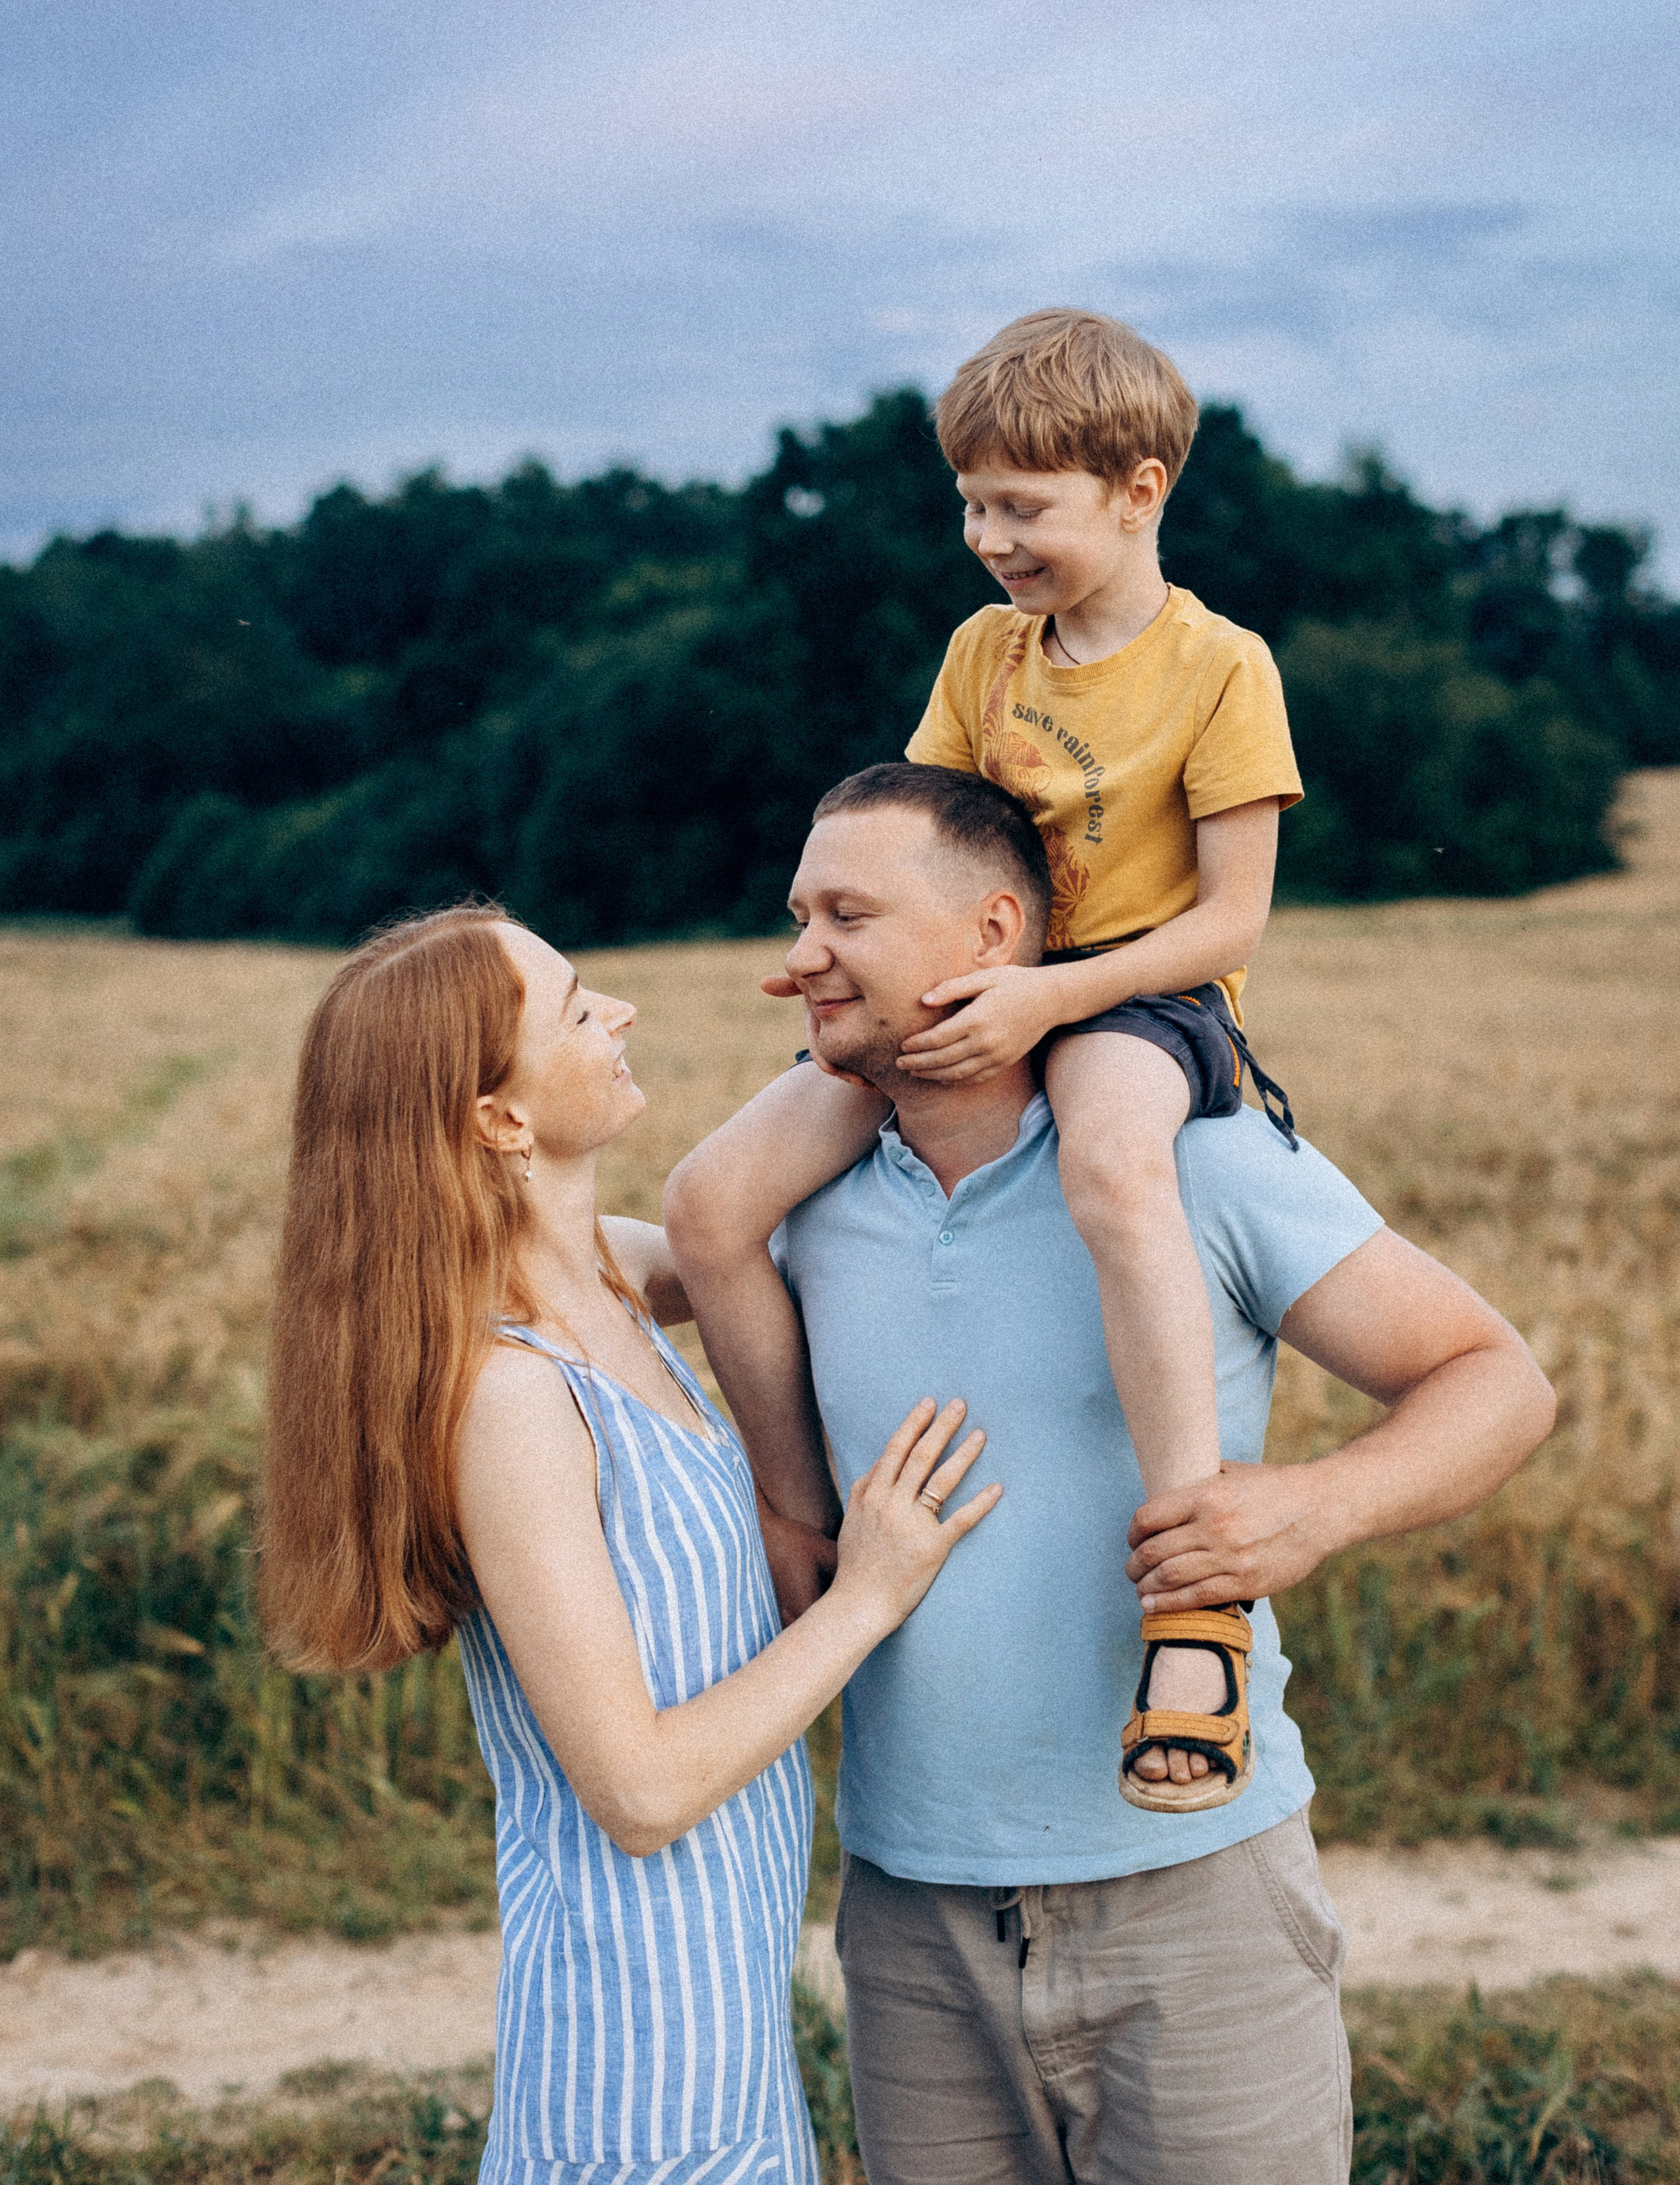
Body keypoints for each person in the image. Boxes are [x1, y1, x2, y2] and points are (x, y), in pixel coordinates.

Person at [665, 765, 1555, 2185]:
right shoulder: (801, 1209)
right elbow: (607, 1269)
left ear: (994, 933)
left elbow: (1495, 1380)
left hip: (1193, 1898)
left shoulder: (1194, 1165)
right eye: (797, 917)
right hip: (909, 1914)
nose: (803, 956)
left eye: (848, 916)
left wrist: (1315, 1508)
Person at [668, 308, 1304, 1804]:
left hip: (1138, 998)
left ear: (1138, 491)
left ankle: (1194, 1589)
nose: (987, 539)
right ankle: (800, 1519)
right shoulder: (982, 651)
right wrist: (848, 952)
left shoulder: (1221, 669)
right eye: (970, 505)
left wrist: (1046, 997)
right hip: (974, 983)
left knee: (1113, 1165)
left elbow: (1228, 922)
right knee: (707, 1200)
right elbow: (921, 840)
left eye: (1021, 508)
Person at [259, 902, 1000, 2185]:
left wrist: (895, 1010)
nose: (620, 1013)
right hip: (637, 2082)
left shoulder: (606, 1281)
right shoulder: (511, 1398)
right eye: (574, 1008)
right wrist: (867, 1596)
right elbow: (639, 1794)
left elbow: (732, 1215)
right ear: (499, 1120)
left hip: (723, 2038)